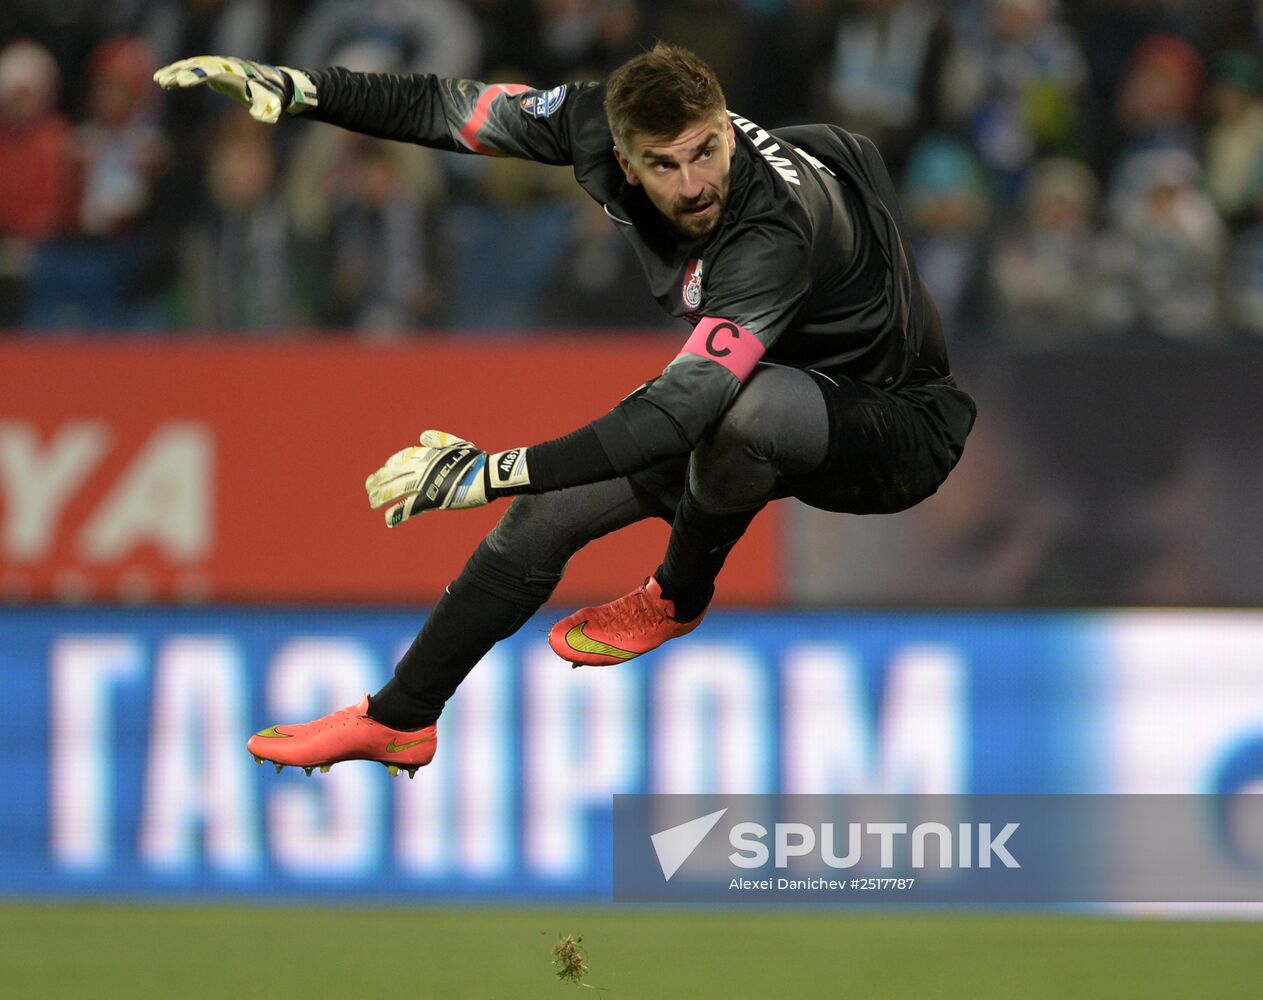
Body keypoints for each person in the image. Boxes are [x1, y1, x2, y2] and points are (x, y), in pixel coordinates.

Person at [154, 45, 976, 776]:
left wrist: (486, 472)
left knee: (734, 412)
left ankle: (677, 595)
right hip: (783, 386)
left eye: (706, 152)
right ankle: (397, 719)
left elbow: (678, 417)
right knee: (543, 519)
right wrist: (301, 89)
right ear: (619, 158)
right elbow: (444, 108)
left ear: (726, 125)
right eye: (663, 165)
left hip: (895, 427)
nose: (693, 185)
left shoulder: (767, 235)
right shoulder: (589, 118)